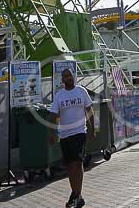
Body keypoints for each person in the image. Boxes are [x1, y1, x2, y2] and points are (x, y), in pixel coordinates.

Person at [49, 68, 96, 208]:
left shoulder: (81, 91)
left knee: (77, 162)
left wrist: (93, 128)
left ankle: (76, 195)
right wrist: (51, 133)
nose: (68, 78)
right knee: (70, 165)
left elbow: (89, 109)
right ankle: (77, 195)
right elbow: (53, 115)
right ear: (62, 80)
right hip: (65, 135)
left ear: (73, 76)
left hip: (79, 132)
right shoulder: (59, 96)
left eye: (70, 75)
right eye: (65, 76)